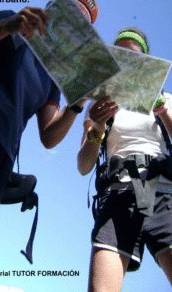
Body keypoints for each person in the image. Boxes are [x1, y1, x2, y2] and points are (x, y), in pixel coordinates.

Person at [0, 0, 98, 292]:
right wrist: (9, 26)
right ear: (52, 10)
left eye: (82, 27)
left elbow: (49, 135)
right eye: (69, 13)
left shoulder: (55, 76)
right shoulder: (12, 21)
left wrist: (76, 107)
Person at [77, 28, 172, 292]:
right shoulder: (99, 106)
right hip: (118, 192)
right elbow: (84, 166)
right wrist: (96, 128)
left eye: (132, 55)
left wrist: (163, 112)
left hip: (163, 192)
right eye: (118, 54)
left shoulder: (166, 100)